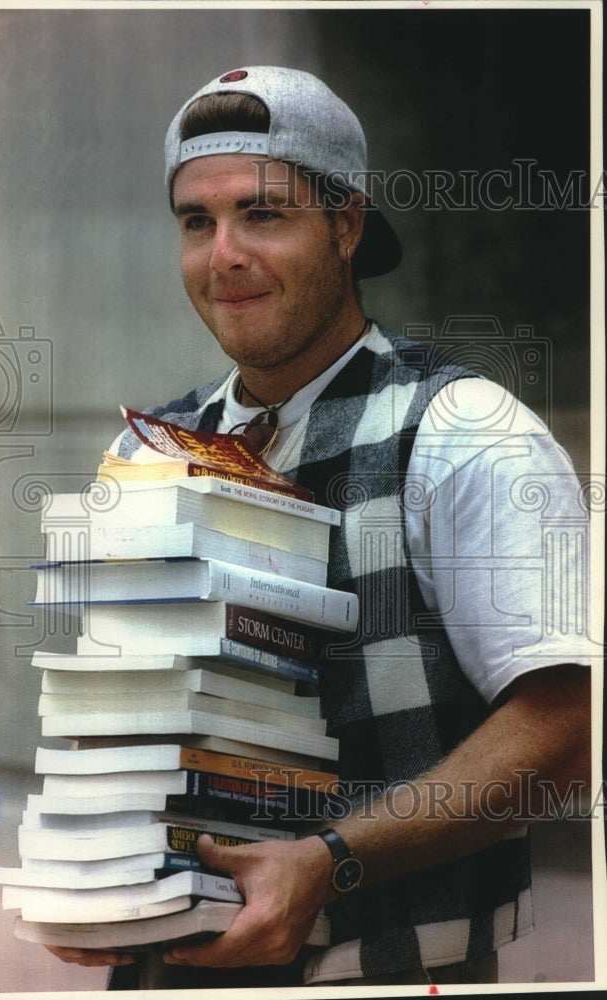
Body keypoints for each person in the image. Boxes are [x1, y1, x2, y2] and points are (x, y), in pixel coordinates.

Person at [47, 66, 591, 988]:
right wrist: (89, 869)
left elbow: (573, 733)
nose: (223, 254)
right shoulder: (143, 455)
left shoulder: (463, 431)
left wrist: (326, 861)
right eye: (196, 221)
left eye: (263, 214)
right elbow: (115, 724)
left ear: (345, 226)